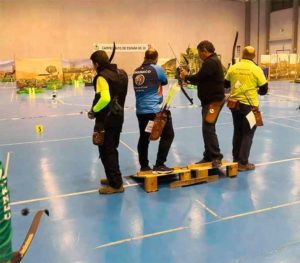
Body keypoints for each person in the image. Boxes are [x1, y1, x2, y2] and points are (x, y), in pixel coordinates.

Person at [88, 50, 128, 194]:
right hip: (118, 117)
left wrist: (93, 110)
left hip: (106, 120)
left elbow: (104, 98)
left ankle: (116, 185)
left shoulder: (101, 77)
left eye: (93, 64)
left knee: (107, 151)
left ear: (97, 63)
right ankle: (112, 177)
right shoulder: (122, 73)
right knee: (112, 148)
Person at [180, 40, 224, 168]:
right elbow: (202, 80)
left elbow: (198, 78)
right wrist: (187, 77)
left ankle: (216, 157)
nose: (199, 55)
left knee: (208, 128)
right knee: (207, 128)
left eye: (200, 53)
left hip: (213, 103)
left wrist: (186, 76)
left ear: (205, 51)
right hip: (209, 102)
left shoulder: (210, 62)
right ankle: (209, 155)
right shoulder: (211, 61)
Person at [224, 46, 268, 171]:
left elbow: (225, 84)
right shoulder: (256, 69)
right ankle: (243, 163)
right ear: (254, 56)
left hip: (234, 105)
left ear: (242, 54)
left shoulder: (233, 67)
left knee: (237, 131)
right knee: (248, 133)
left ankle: (236, 159)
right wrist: (257, 89)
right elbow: (264, 90)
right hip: (249, 107)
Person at [132, 48, 174, 173]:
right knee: (168, 134)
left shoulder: (136, 71)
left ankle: (144, 166)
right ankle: (160, 164)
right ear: (156, 58)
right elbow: (165, 81)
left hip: (141, 111)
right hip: (155, 112)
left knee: (144, 138)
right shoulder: (157, 68)